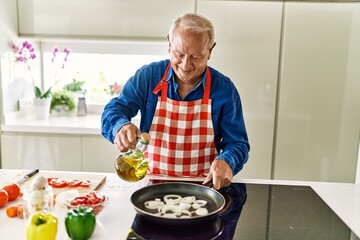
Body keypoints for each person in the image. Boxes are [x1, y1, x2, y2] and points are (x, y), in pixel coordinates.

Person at [101, 13, 250, 190]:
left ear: (210, 50)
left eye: (196, 57)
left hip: (204, 189)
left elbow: (238, 143)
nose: (186, 65)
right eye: (179, 54)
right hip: (150, 184)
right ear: (169, 44)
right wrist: (120, 126)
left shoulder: (224, 89)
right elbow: (115, 109)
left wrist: (227, 161)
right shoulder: (148, 76)